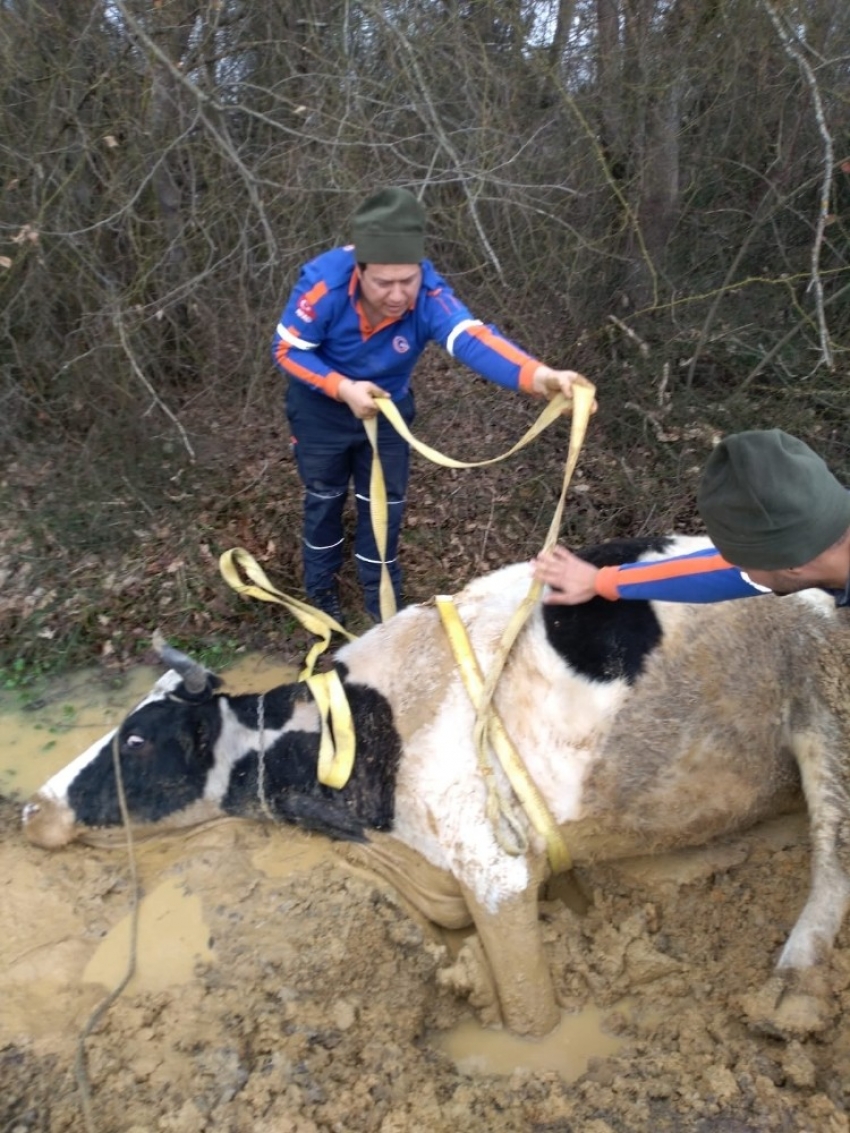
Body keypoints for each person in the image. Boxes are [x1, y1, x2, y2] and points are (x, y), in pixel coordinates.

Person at [272, 186, 590, 624]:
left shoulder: (429, 293)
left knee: (382, 505)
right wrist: (343, 388)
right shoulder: (323, 285)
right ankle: (320, 592)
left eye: (409, 279)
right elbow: (289, 352)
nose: (399, 295)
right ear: (359, 270)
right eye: (384, 282)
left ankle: (383, 600)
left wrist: (542, 378)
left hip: (388, 412)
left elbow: (470, 337)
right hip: (321, 410)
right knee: (324, 499)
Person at [531, 429, 850, 609]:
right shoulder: (812, 550)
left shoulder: (801, 555)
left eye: (746, 561)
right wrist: (601, 581)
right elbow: (721, 573)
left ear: (793, 565)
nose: (740, 569)